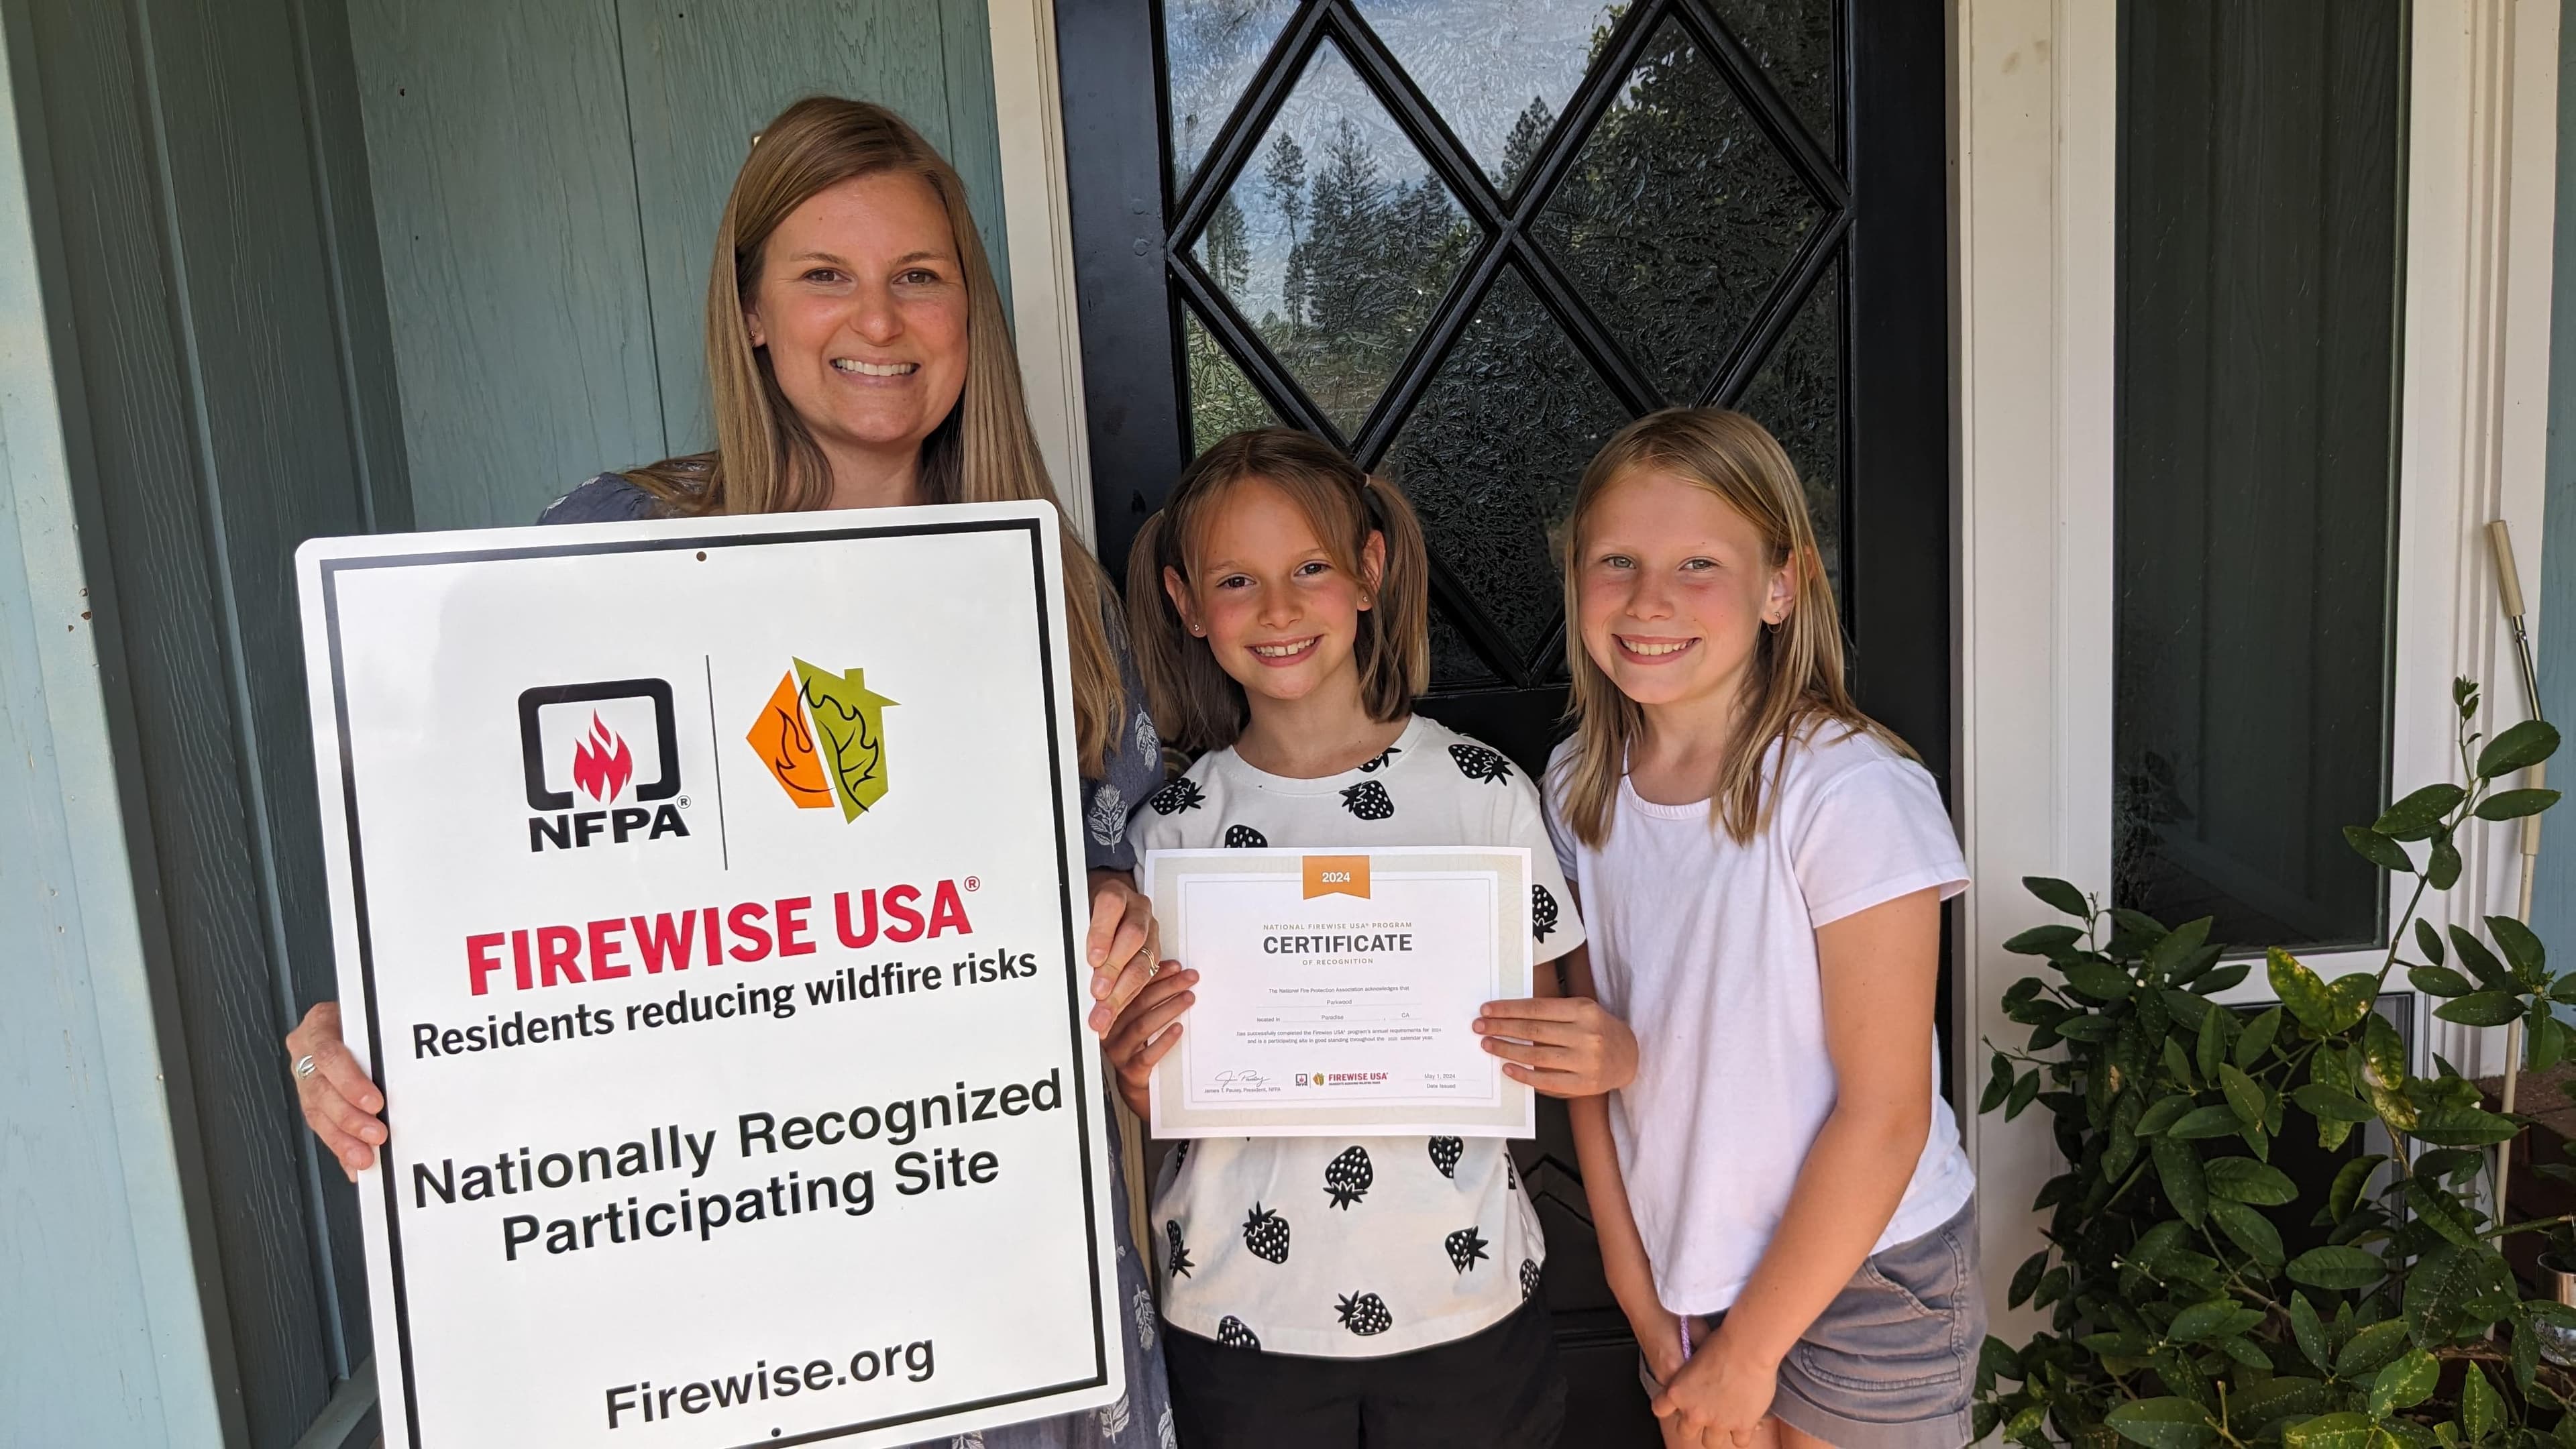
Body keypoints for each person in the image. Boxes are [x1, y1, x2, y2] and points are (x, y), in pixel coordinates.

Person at [283, 96, 1177, 1448]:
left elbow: (1113, 873)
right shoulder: (607, 554)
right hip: (720, 1273)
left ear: (968, 315)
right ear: (752, 310)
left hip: (1002, 1277)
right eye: (825, 275)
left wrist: (1123, 924)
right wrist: (373, 1031)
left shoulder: (1055, 590)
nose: (878, 322)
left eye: (918, 278)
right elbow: (461, 893)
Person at [1104, 428, 1637, 1448]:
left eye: (1309, 567)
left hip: (1463, 1298)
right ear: (1184, 603)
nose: (1278, 608)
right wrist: (1144, 1081)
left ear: (1369, 571)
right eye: (1236, 580)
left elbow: (1545, 1037)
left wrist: (1603, 1052)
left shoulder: (1483, 796)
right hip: (1238, 1312)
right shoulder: (1171, 833)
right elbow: (1163, 1094)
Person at [1547, 409, 1982, 1449]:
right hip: (1686, 1271)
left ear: (1782, 585)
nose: (1650, 600)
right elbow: (1588, 1073)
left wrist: (1750, 1355)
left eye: (1698, 562)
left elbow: (1885, 1114)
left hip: (1870, 1274)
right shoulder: (1575, 787)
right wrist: (1643, 1299)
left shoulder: (1848, 791)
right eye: (1617, 561)